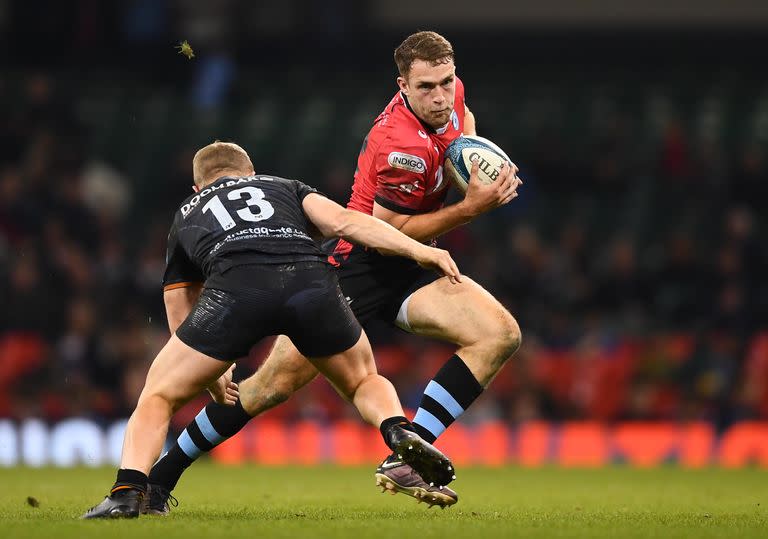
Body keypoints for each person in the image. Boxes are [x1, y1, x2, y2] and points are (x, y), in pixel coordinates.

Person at [145, 30, 522, 512]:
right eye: (426, 87)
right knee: (266, 388)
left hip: (409, 262)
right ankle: (162, 476)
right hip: (357, 264)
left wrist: (466, 157)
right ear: (402, 85)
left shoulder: (452, 96)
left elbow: (462, 125)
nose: (440, 96)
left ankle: (406, 458)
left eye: (446, 82)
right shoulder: (396, 144)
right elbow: (389, 226)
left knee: (499, 334)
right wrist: (471, 206)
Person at [81, 141, 463, 519]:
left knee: (159, 394)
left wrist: (213, 375)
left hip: (237, 289)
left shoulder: (188, 210)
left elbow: (179, 304)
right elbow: (347, 222)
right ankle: (397, 429)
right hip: (311, 282)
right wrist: (421, 251)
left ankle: (127, 493)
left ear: (198, 187)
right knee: (363, 378)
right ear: (251, 173)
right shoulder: (283, 186)